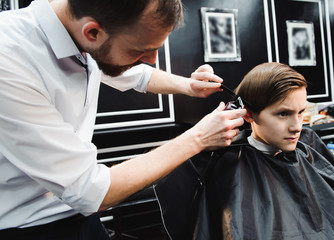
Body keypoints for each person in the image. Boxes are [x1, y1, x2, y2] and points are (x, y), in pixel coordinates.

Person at [0, 0, 246, 239]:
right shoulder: (10, 58)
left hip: (81, 217)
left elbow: (136, 73)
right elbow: (89, 191)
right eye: (141, 50)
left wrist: (190, 86)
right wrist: (198, 138)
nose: (153, 59)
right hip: (27, 227)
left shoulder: (81, 34)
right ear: (93, 32)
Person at [155, 62, 334, 240]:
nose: (297, 126)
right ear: (249, 114)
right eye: (283, 114)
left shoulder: (308, 145)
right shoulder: (227, 163)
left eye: (301, 113)